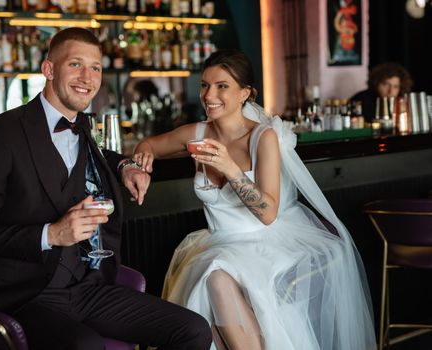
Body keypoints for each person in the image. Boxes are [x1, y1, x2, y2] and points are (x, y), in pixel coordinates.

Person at [0, 27, 212, 350]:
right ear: (49, 69)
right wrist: (51, 234)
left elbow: (95, 154)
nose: (87, 77)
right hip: (25, 293)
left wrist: (125, 166)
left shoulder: (82, 127)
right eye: (75, 64)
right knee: (86, 346)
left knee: (193, 329)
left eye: (95, 68)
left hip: (86, 286)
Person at [133, 49, 376, 349]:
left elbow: (268, 213)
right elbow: (148, 144)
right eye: (205, 85)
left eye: (222, 86)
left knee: (215, 278)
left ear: (245, 93)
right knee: (212, 278)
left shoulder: (263, 138)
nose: (210, 94)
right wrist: (139, 160)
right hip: (220, 241)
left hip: (264, 242)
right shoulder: (195, 133)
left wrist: (230, 169)